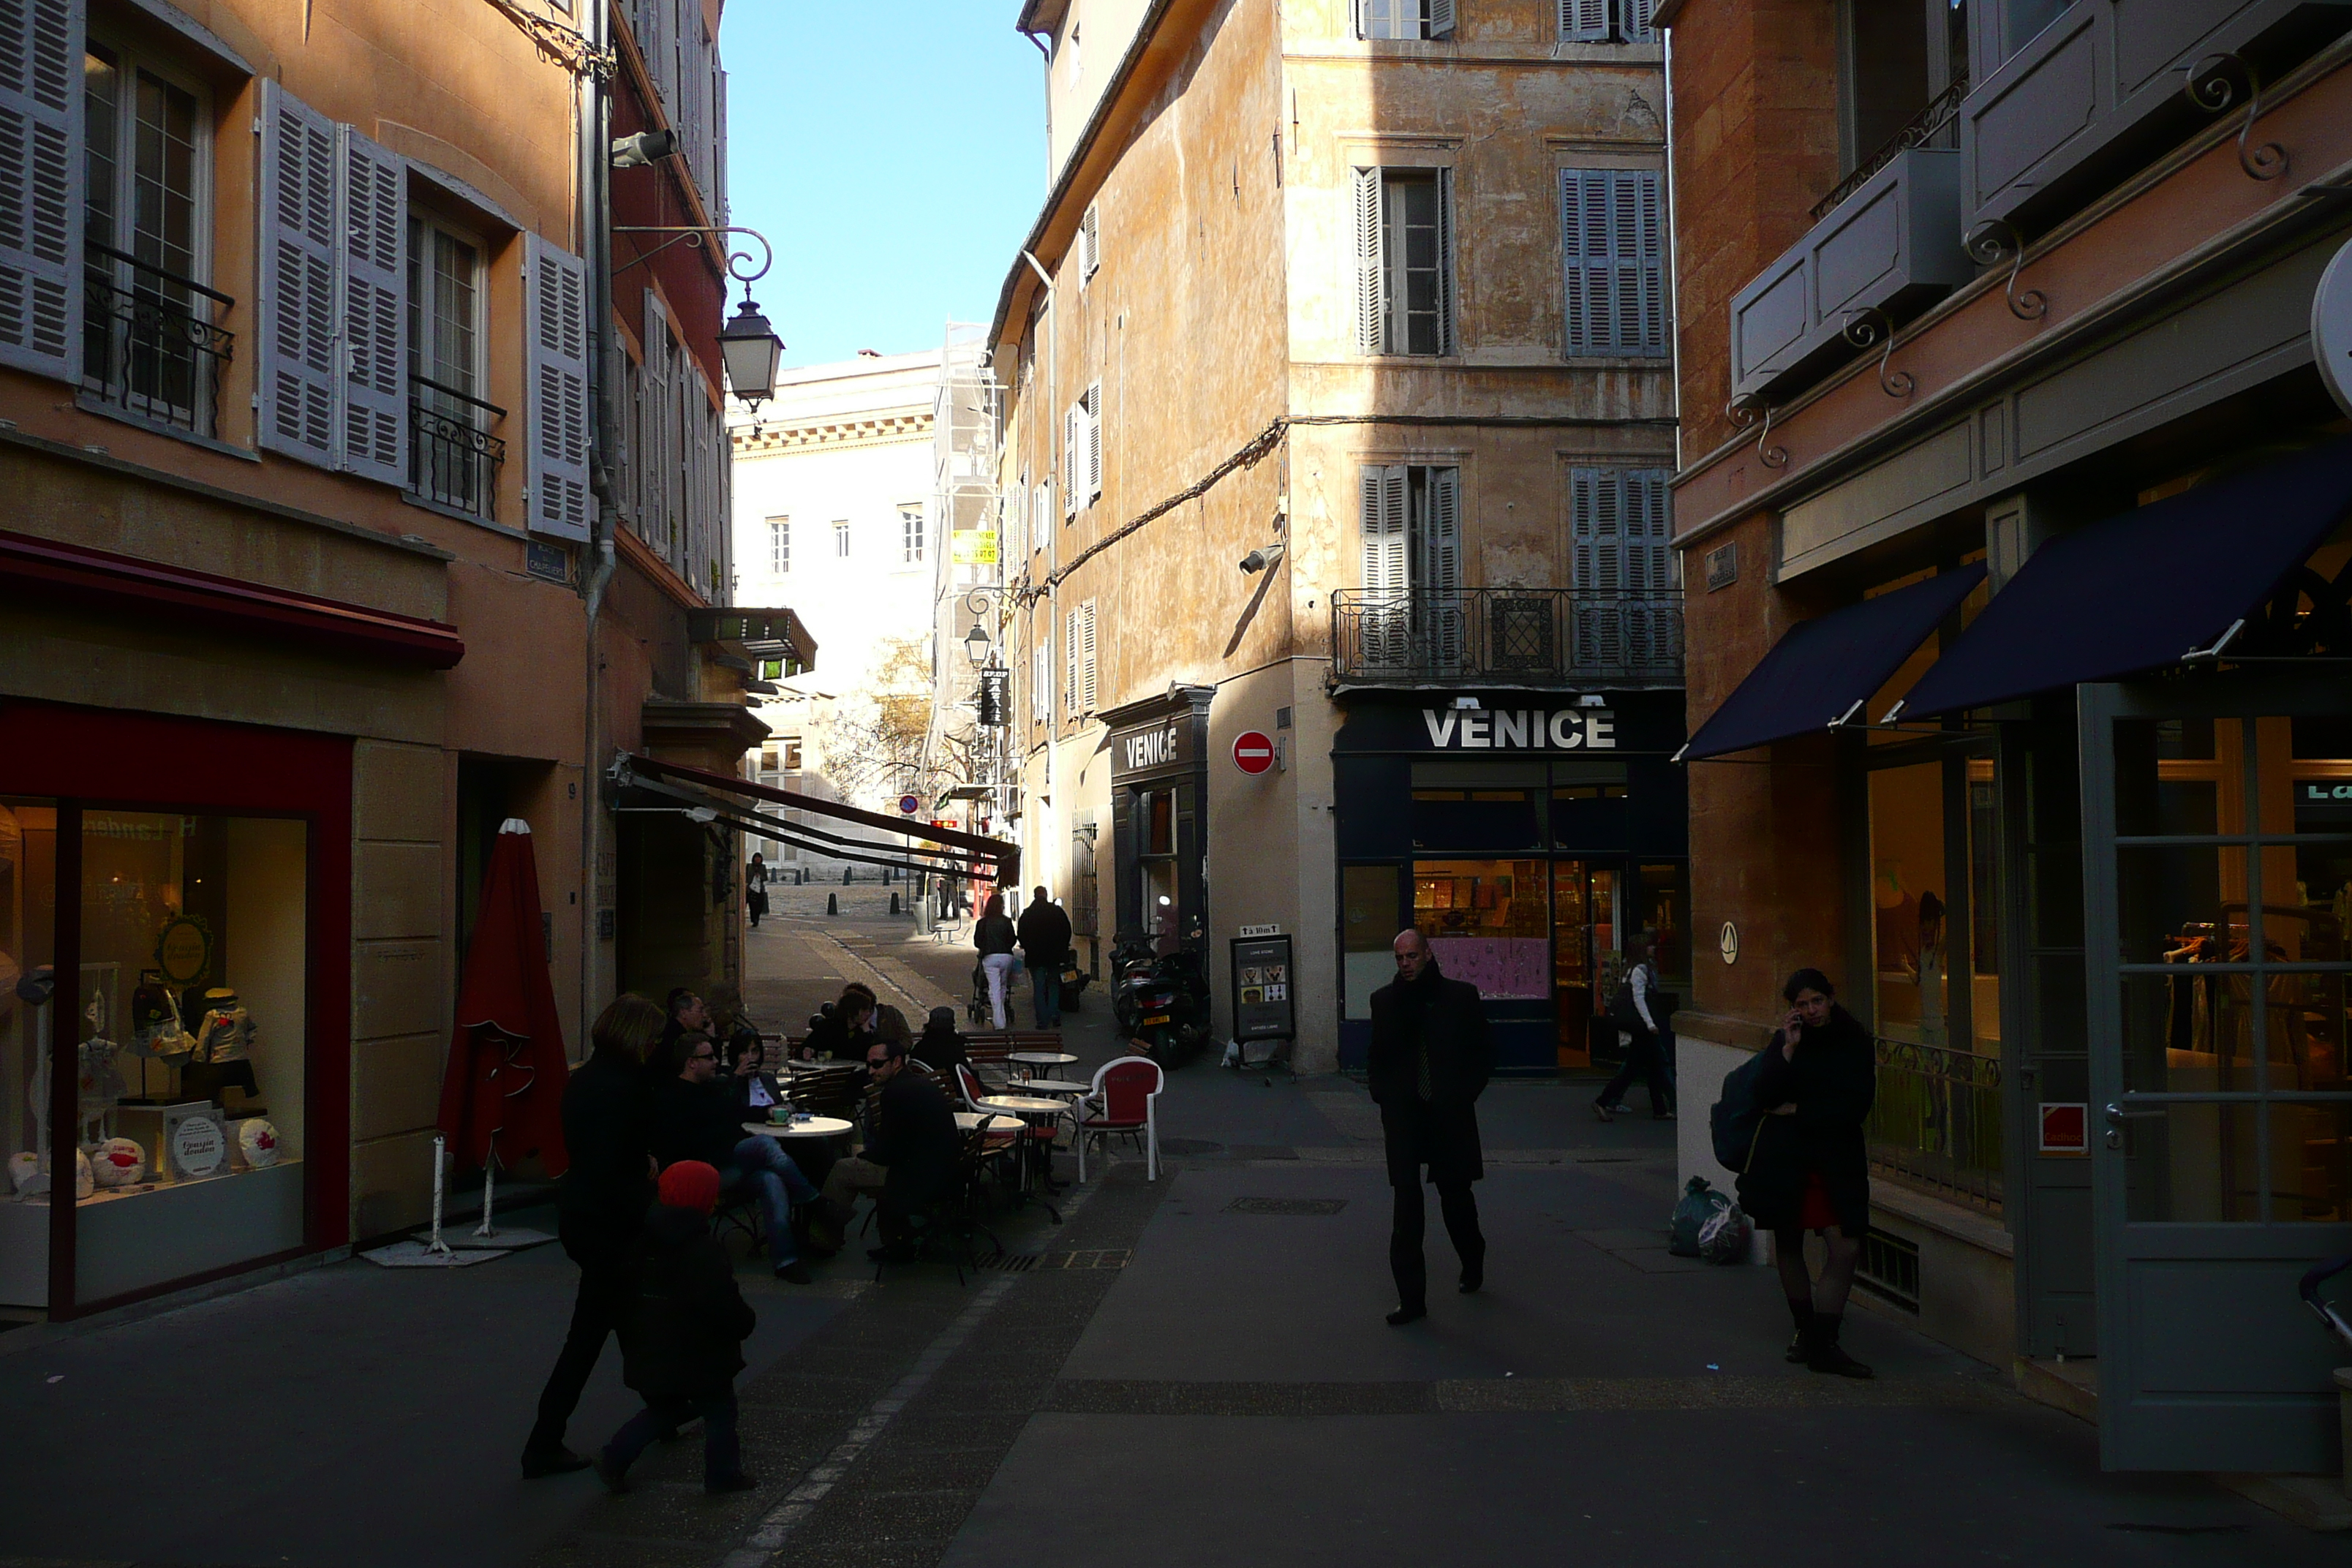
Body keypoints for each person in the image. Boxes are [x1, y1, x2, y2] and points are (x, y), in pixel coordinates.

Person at [521, 993, 665, 1478]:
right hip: (610, 1225)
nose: (656, 1045)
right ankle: (544, 1441)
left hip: (583, 1215)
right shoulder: (626, 1087)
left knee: (624, 1321)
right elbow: (617, 1167)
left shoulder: (584, 1079)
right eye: (653, 1037)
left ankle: (665, 1406)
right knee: (588, 1337)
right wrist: (649, 1193)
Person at [1738, 968, 1878, 1379]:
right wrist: (1786, 1051)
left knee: (1845, 1247)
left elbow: (1855, 1107)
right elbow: (1763, 1096)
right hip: (1789, 1159)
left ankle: (1825, 1340)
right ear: (1792, 1009)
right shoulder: (1788, 1040)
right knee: (1789, 1241)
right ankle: (1807, 1333)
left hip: (1836, 1159)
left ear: (1831, 999)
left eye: (1817, 1000)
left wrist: (1800, 1110)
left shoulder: (1854, 1040)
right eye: (1802, 1004)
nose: (1811, 1010)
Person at [595, 1159, 757, 1496]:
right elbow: (720, 1303)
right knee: (720, 1412)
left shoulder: (644, 1238)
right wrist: (744, 1322)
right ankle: (723, 1475)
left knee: (663, 1411)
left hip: (654, 1346)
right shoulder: (701, 1248)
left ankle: (615, 1457)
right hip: (702, 1354)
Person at [1366, 928, 1491, 1325]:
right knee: (1407, 1209)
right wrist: (1384, 1097)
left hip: (1447, 1115)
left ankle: (1472, 1261)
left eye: (1412, 956)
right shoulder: (1385, 1002)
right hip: (1404, 1117)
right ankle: (1412, 1300)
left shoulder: (1459, 998)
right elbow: (1377, 1058)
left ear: (1429, 954)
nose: (1405, 964)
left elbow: (1482, 1054)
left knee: (1456, 1199)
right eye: (1400, 958)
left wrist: (1462, 1095)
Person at [649, 1030, 821, 1284]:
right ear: (691, 1062)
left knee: (771, 1179)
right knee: (763, 1144)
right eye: (709, 1057)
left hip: (726, 1162)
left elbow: (739, 1114)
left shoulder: (712, 1088)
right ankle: (813, 1200)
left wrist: (768, 1110)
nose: (716, 1062)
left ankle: (786, 1260)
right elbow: (689, 1143)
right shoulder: (674, 1095)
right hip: (702, 1171)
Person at [814, 1035, 960, 1262]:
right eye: (868, 1065)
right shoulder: (919, 1084)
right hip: (943, 1173)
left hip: (916, 1178)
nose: (871, 1071)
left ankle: (822, 1241)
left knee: (843, 1170)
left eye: (877, 1065)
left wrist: (862, 1155)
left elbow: (888, 1152)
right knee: (855, 1169)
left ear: (897, 1062)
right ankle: (895, 1239)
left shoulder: (895, 1092)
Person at [1593, 939, 1676, 1121]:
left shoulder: (1630, 969)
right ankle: (1603, 1101)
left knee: (1651, 1067)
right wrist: (1650, 1024)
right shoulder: (1639, 971)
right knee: (1635, 1067)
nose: (1653, 947)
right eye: (1649, 945)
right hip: (1642, 1027)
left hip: (1640, 1027)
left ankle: (1659, 1109)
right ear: (1641, 949)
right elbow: (1639, 999)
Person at [1017, 886, 1072, 1029]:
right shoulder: (1057, 911)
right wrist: (1062, 948)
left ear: (1035, 896)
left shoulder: (1028, 914)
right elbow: (1067, 931)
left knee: (1039, 988)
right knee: (1054, 985)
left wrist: (1028, 947)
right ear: (1046, 895)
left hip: (1036, 957)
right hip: (1054, 956)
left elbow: (1021, 934)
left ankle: (1042, 1021)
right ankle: (1055, 1015)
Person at [975, 893, 1019, 1030]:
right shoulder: (1006, 921)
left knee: (994, 987)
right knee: (1003, 985)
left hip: (990, 957)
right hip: (1006, 956)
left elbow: (977, 942)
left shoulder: (982, 923)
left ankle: (999, 1022)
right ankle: (1001, 1013)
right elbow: (1013, 939)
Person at [797, 987, 873, 1061]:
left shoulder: (864, 1030)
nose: (868, 1013)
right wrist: (809, 1051)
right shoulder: (829, 1027)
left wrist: (867, 1032)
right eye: (864, 1010)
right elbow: (805, 1048)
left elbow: (871, 1055)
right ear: (852, 1011)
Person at [911, 1006, 970, 1078]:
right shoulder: (954, 1047)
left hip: (927, 1086)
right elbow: (965, 1071)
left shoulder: (922, 1046)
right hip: (952, 1086)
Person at [660, 987, 709, 1060]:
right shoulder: (676, 1039)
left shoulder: (676, 1032)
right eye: (700, 1010)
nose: (705, 1015)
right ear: (683, 1013)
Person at [745, 852, 769, 929]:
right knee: (752, 906)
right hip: (751, 889)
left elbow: (765, 877)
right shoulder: (749, 866)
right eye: (756, 858)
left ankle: (757, 918)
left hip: (759, 889)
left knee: (759, 905)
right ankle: (754, 920)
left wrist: (760, 877)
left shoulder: (763, 867)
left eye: (759, 858)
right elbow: (746, 876)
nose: (757, 859)